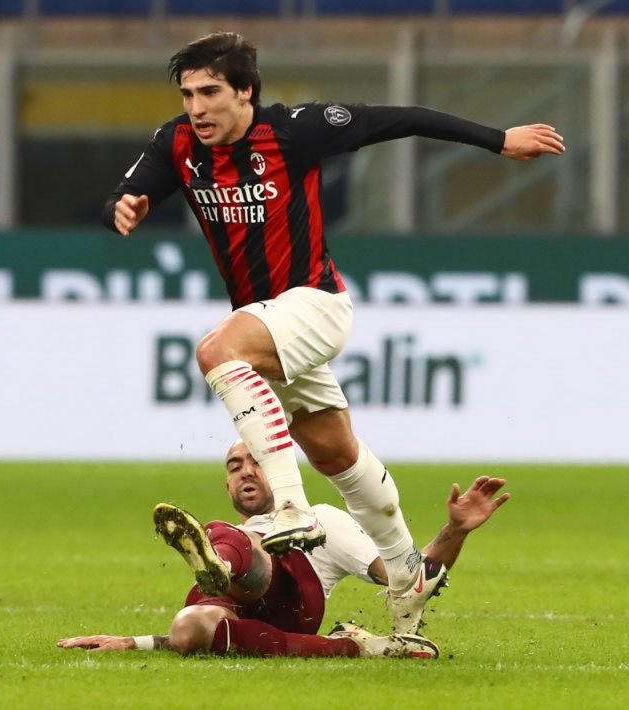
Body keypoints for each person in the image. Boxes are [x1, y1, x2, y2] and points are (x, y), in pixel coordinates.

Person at [102, 31, 559, 633]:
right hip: (268, 325)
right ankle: (408, 572)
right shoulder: (179, 142)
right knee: (336, 451)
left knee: (216, 350)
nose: (197, 107)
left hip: (315, 304)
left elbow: (401, 119)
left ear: (245, 93)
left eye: (210, 92)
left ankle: (290, 504)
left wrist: (498, 140)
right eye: (188, 93)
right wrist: (126, 203)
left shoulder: (296, 130)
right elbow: (137, 184)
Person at [57, 440, 510, 658]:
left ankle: (225, 566)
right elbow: (177, 638)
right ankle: (352, 650)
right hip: (238, 609)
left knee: (237, 541)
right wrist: (131, 642)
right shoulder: (225, 532)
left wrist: (456, 530)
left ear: (283, 472)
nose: (246, 471)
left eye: (259, 461)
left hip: (292, 598)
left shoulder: (324, 519)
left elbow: (407, 577)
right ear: (226, 482)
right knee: (189, 628)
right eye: (235, 466)